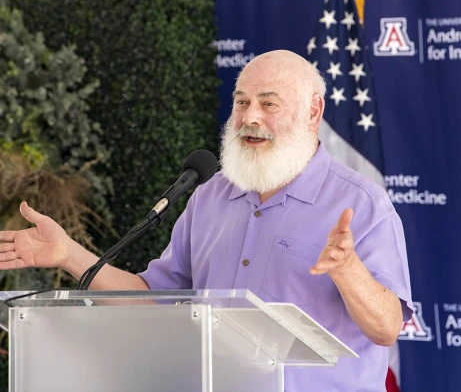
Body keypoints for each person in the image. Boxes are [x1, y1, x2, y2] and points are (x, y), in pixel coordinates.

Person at [0, 50, 412, 391]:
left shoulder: (362, 203)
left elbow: (386, 328)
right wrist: (69, 254)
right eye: (241, 102)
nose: (250, 117)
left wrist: (348, 270)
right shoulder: (209, 195)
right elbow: (148, 297)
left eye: (269, 104)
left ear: (312, 111)